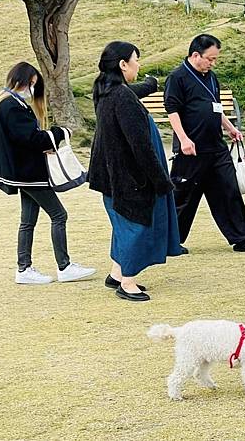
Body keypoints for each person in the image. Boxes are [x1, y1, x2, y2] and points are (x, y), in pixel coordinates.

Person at [88, 41, 182, 302]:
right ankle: (127, 282)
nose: (139, 64)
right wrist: (161, 181)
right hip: (127, 176)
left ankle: (116, 273)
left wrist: (150, 85)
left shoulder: (104, 89)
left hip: (108, 174)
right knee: (135, 225)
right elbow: (140, 146)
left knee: (122, 225)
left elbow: (129, 93)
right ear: (123, 64)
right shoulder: (121, 97)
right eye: (136, 60)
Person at [164, 34, 245, 254]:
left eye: (215, 59)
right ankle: (169, 242)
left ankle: (243, 239)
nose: (213, 63)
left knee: (228, 190)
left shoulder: (211, 77)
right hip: (190, 149)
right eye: (210, 59)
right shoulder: (178, 77)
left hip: (216, 147)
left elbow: (216, 107)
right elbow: (172, 111)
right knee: (183, 197)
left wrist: (230, 128)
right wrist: (183, 139)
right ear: (195, 55)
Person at [0, 62, 96, 285]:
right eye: (33, 84)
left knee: (27, 221)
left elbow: (24, 139)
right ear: (26, 81)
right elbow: (30, 139)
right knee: (59, 215)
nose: (33, 89)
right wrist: (58, 133)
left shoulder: (7, 103)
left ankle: (24, 268)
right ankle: (64, 266)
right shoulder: (11, 106)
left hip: (24, 173)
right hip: (29, 173)